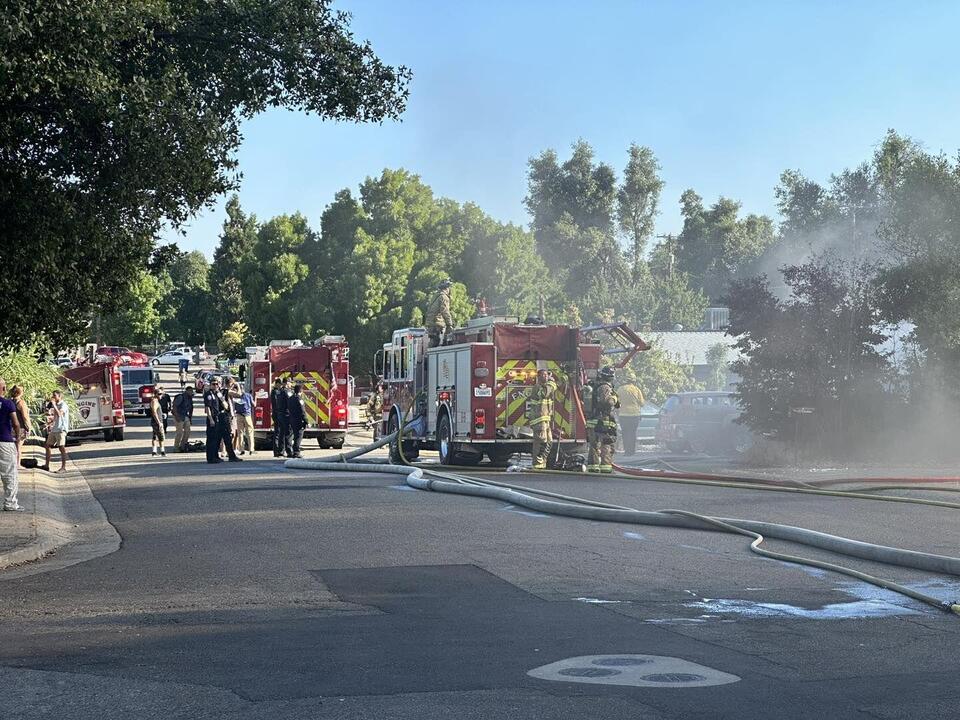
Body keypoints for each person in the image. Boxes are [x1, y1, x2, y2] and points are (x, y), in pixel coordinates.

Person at [586, 366, 619, 474]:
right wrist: (614, 398)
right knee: (607, 443)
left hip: (594, 420)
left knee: (594, 445)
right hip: (602, 420)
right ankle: (605, 467)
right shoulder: (605, 387)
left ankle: (593, 467)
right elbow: (607, 402)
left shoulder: (596, 385)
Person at [525, 369, 558, 470]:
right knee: (541, 441)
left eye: (547, 375)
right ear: (538, 377)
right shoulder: (538, 387)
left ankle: (542, 461)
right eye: (543, 375)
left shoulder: (546, 386)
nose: (546, 376)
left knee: (549, 442)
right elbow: (544, 393)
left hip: (545, 419)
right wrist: (552, 383)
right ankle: (537, 463)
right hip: (538, 420)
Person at [0, 378, 23, 511]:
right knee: (9, 473)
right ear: (3, 388)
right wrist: (17, 436)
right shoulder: (8, 404)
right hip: (5, 441)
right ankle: (10, 503)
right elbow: (15, 423)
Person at [616, 372, 645, 457]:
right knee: (632, 433)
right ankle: (632, 451)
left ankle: (626, 452)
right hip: (634, 415)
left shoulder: (620, 389)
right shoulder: (637, 390)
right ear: (634, 380)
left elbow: (617, 402)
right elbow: (642, 403)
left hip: (623, 415)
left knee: (625, 433)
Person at [44, 389, 69, 473]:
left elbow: (59, 414)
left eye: (55, 395)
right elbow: (56, 417)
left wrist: (54, 405)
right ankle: (46, 465)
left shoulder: (63, 405)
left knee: (61, 447)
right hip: (55, 428)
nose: (53, 397)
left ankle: (63, 467)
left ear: (59, 396)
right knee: (47, 445)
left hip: (61, 429)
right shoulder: (57, 405)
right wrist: (49, 424)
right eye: (53, 395)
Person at [216, 379, 242, 462]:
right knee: (227, 435)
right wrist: (238, 385)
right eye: (232, 384)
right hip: (228, 416)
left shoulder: (220, 391)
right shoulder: (228, 391)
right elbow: (239, 394)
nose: (233, 385)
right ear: (229, 384)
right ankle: (230, 455)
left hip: (222, 415)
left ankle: (224, 453)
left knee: (223, 435)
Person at [425, 279, 454, 347]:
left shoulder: (436, 296)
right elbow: (445, 311)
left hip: (431, 323)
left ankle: (430, 355)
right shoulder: (444, 297)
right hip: (436, 323)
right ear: (447, 288)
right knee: (437, 341)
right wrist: (450, 324)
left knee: (434, 340)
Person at [204, 377, 224, 464]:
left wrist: (222, 399)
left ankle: (216, 456)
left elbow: (224, 406)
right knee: (211, 438)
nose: (215, 386)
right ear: (210, 385)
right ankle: (211, 457)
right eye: (213, 384)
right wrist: (211, 419)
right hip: (212, 418)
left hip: (218, 417)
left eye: (217, 384)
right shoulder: (208, 394)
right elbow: (207, 408)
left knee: (217, 438)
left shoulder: (218, 394)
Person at [270, 377, 289, 458]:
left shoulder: (280, 391)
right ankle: (277, 451)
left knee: (281, 432)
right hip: (277, 413)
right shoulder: (274, 392)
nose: (281, 386)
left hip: (279, 413)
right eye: (280, 384)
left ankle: (281, 450)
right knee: (277, 432)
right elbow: (276, 403)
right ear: (277, 383)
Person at [8, 385, 30, 456]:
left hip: (11, 427)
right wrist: (29, 427)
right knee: (18, 448)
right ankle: (17, 465)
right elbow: (25, 417)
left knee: (12, 448)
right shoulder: (21, 403)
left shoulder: (9, 402)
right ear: (20, 393)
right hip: (20, 428)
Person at [171, 386, 194, 452]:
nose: (191, 392)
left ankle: (183, 446)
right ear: (186, 391)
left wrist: (190, 418)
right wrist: (177, 416)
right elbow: (174, 406)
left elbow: (191, 408)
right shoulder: (181, 397)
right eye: (190, 391)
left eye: (192, 391)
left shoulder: (190, 398)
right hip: (178, 415)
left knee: (187, 431)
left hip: (185, 416)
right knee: (179, 432)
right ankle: (176, 447)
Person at [287, 383, 307, 458]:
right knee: (298, 436)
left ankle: (291, 451)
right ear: (301, 391)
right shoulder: (299, 399)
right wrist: (306, 420)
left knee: (293, 435)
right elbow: (302, 411)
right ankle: (296, 452)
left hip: (292, 419)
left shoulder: (290, 398)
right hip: (298, 420)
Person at [235, 385, 255, 455]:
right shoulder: (248, 395)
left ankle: (241, 449)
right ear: (243, 388)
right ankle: (251, 449)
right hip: (247, 416)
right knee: (250, 432)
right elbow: (253, 404)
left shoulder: (235, 396)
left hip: (239, 415)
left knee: (240, 433)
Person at [149, 388, 166, 457]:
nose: (161, 395)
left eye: (162, 394)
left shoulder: (156, 401)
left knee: (155, 436)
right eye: (159, 394)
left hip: (157, 421)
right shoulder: (154, 401)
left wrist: (162, 414)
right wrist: (159, 422)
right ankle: (162, 452)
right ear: (155, 394)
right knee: (161, 437)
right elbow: (154, 412)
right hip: (157, 422)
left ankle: (154, 451)